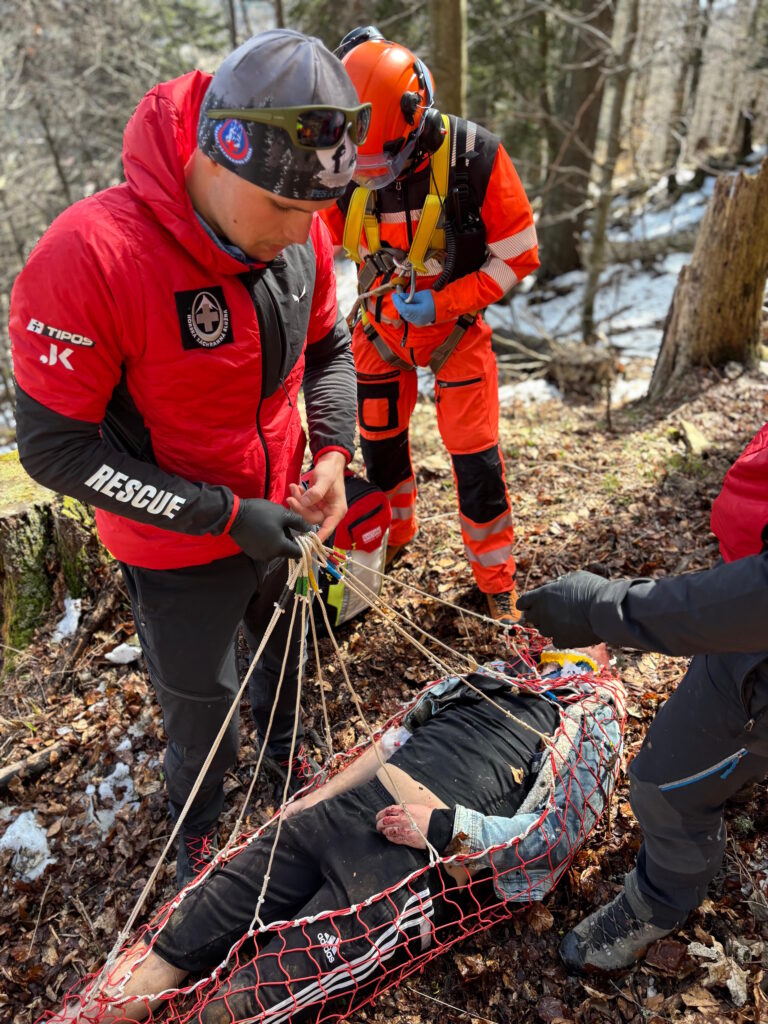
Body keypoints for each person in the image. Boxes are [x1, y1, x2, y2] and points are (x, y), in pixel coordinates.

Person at [9, 29, 365, 886]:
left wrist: (334, 451)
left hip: (284, 515)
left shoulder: (300, 236)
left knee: (288, 659)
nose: (297, 233)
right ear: (219, 154)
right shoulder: (89, 257)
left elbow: (329, 351)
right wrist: (220, 515)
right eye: (282, 208)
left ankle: (290, 779)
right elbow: (57, 452)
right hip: (175, 546)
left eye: (312, 213)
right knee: (202, 701)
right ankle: (199, 831)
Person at [46, 655, 623, 1024]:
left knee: (246, 999)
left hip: (404, 860)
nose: (560, 641)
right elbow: (393, 739)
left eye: (586, 637)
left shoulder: (594, 718)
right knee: (180, 937)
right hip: (340, 811)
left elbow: (551, 839)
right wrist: (313, 800)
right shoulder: (491, 673)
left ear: (606, 657)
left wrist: (444, 827)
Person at [518, 419, 768, 972]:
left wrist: (604, 608)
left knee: (662, 786)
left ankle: (658, 901)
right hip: (746, 638)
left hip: (757, 671)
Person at [321, 27, 540, 626]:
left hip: (455, 331)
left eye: (382, 164)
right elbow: (309, 234)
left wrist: (448, 303)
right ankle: (393, 540)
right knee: (381, 448)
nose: (371, 179)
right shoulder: (348, 153)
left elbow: (518, 254)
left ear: (418, 120)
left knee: (476, 464)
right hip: (379, 327)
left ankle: (496, 581)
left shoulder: (477, 156)